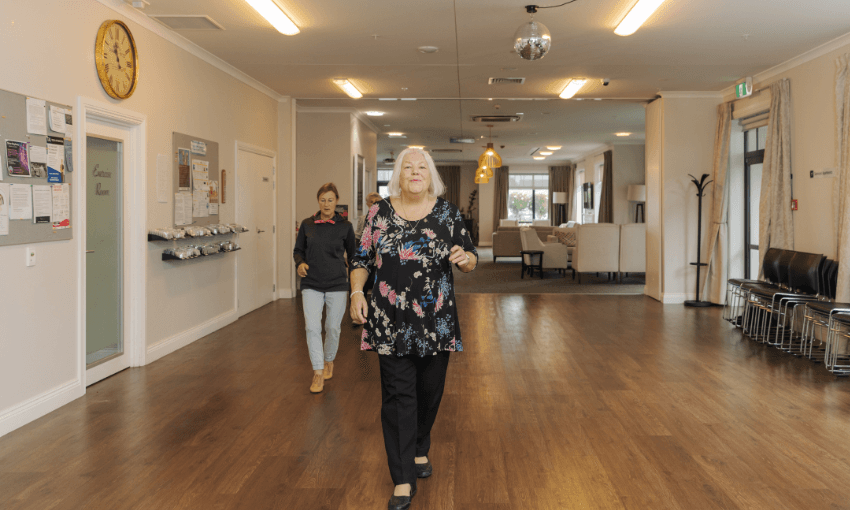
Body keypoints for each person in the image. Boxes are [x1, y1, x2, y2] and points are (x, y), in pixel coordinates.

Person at [349, 148, 477, 510]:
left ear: (431, 175)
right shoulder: (379, 213)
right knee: (397, 398)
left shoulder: (448, 213)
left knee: (429, 393)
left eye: (422, 167)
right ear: (399, 175)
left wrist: (466, 260)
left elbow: (471, 256)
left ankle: (421, 444)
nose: (415, 172)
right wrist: (357, 290)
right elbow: (361, 258)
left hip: (436, 322)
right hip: (389, 322)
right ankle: (403, 479)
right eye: (408, 167)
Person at [293, 182, 355, 394]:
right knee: (312, 328)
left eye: (330, 200)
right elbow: (298, 250)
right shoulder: (307, 224)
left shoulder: (345, 226)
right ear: (318, 201)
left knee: (333, 328)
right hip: (311, 284)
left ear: (336, 201)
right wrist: (300, 263)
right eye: (323, 200)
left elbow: (354, 255)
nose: (326, 204)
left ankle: (329, 360)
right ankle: (318, 371)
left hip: (337, 284)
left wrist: (354, 278)